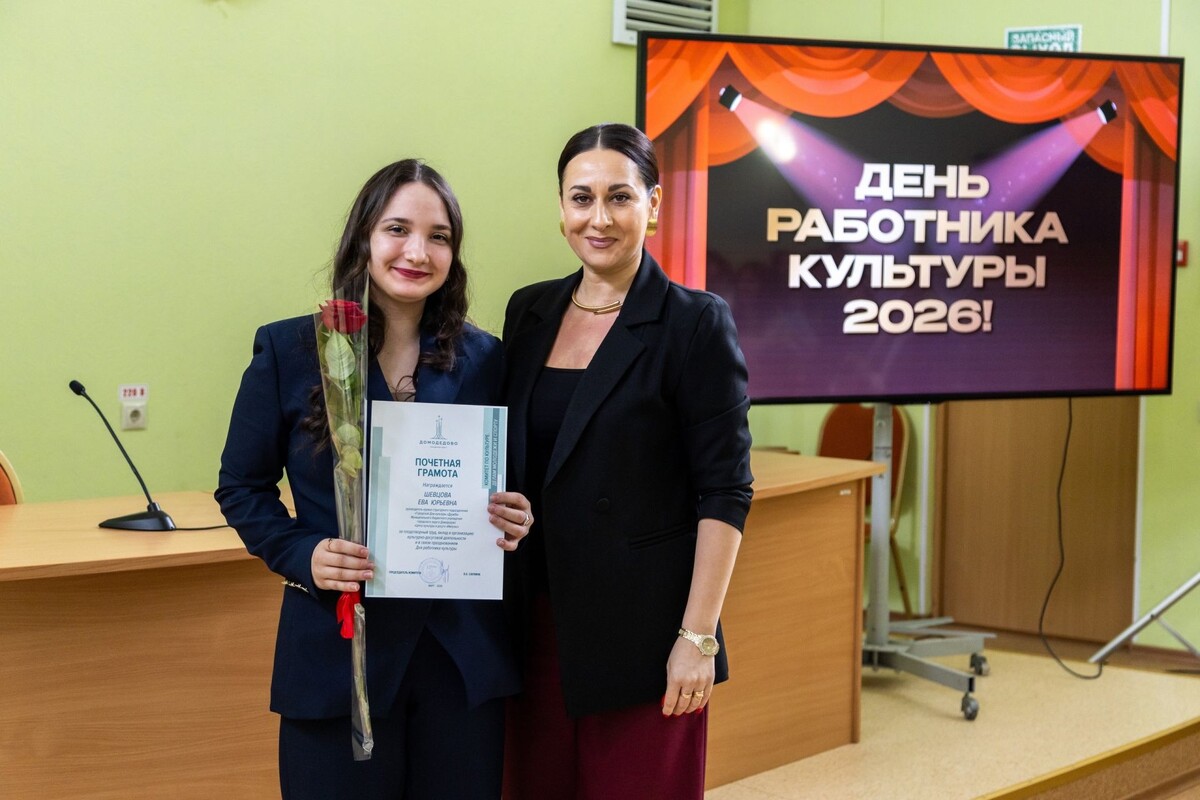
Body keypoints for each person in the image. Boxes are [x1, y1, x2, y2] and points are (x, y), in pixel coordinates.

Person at [216, 159, 533, 800]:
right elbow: (240, 487)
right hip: (337, 657)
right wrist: (304, 553)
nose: (417, 252)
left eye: (439, 236)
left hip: (458, 661)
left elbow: (509, 483)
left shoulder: (485, 357)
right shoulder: (289, 351)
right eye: (397, 229)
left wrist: (516, 516)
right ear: (364, 235)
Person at [501, 123, 754, 799]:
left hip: (646, 636)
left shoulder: (695, 322)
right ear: (561, 207)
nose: (600, 217)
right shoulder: (528, 312)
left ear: (653, 204)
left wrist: (697, 637)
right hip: (535, 627)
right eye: (581, 198)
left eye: (620, 197)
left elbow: (725, 491)